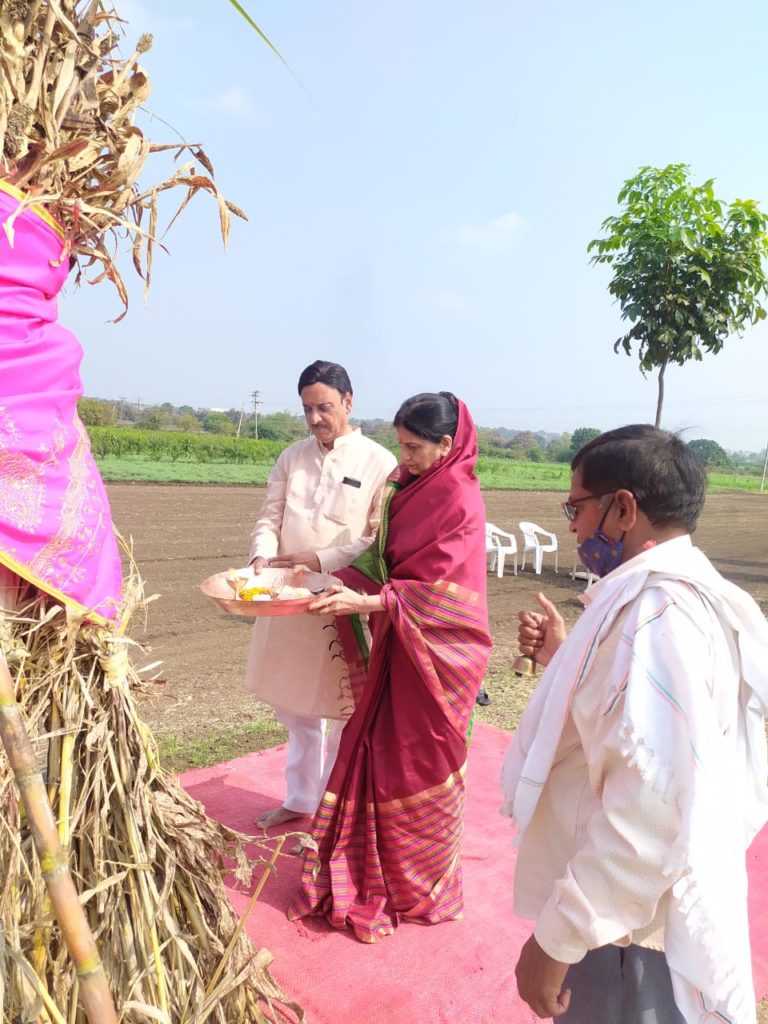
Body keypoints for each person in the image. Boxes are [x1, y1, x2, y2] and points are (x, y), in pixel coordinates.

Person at [500, 425, 768, 1024]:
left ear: (623, 508)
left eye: (577, 507)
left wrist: (556, 940)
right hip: (636, 914)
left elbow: (649, 814)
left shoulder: (658, 616)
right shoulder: (684, 596)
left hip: (627, 932)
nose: (571, 526)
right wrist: (563, 659)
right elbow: (641, 726)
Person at [289, 392, 492, 942]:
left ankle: (418, 881)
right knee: (382, 749)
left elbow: (447, 594)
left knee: (419, 758)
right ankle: (374, 863)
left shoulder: (458, 498)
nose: (402, 456)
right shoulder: (408, 485)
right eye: (400, 444)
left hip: (441, 658)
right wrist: (327, 576)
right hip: (400, 644)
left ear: (447, 445)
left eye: (413, 446)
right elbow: (383, 556)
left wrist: (373, 603)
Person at [244, 360, 396, 829]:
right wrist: (260, 558)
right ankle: (301, 799)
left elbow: (376, 538)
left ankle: (334, 812)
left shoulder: (379, 462)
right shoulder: (292, 456)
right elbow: (270, 517)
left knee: (345, 709)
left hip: (342, 599)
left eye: (324, 407)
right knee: (294, 709)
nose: (315, 419)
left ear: (349, 402)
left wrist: (319, 560)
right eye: (307, 409)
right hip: (286, 596)